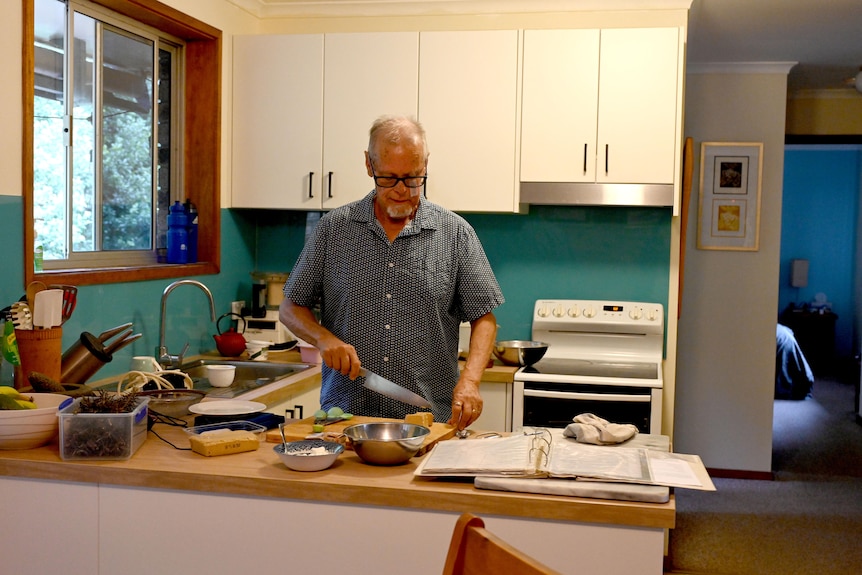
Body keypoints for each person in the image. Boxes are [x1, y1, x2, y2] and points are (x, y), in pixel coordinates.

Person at [280, 115, 504, 430]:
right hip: (344, 418)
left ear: (426, 164)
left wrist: (470, 380)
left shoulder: (455, 233)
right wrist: (322, 339)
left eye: (413, 178)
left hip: (429, 422)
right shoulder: (333, 229)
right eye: (388, 178)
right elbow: (290, 308)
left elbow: (485, 318)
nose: (401, 190)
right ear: (369, 165)